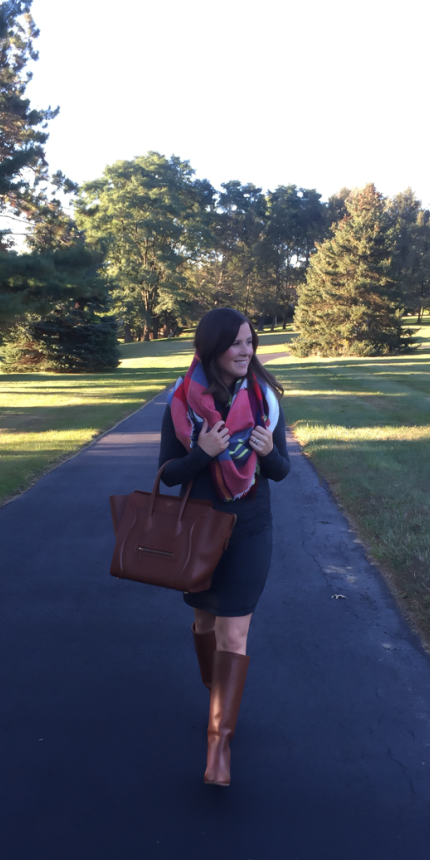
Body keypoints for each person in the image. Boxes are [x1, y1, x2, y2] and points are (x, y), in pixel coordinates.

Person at [159, 307, 290, 785]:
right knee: (204, 623)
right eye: (236, 343)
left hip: (252, 528)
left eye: (250, 342)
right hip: (199, 528)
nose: (246, 351)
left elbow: (281, 471)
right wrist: (202, 454)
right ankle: (218, 690)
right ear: (212, 347)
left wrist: (266, 451)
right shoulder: (181, 402)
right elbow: (169, 475)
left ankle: (219, 742)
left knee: (234, 635)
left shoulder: (265, 403)